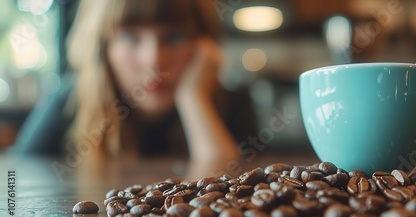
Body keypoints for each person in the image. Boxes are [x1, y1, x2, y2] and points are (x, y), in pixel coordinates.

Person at [12, 0, 256, 179]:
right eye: (130, 37)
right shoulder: (67, 102)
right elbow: (15, 185)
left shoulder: (232, 103)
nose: (153, 61)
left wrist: (193, 99)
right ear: (103, 48)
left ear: (205, 47)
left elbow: (232, 191)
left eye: (173, 37)